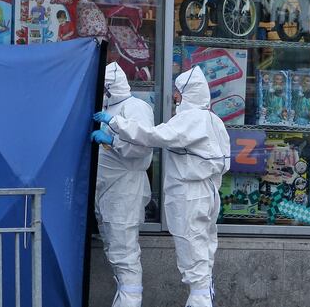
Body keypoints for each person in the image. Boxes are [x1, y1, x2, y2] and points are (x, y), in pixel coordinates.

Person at [92, 66, 230, 307]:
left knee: (193, 256)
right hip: (205, 192)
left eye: (178, 92)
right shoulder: (212, 120)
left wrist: (115, 127)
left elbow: (152, 137)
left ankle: (200, 301)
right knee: (202, 255)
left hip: (190, 194)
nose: (175, 97)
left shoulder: (190, 119)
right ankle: (202, 298)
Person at [88, 62, 154, 307]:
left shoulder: (135, 108)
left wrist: (113, 140)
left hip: (125, 191)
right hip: (107, 193)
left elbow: (143, 148)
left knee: (125, 255)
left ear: (109, 87)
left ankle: (130, 301)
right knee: (115, 252)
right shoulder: (107, 109)